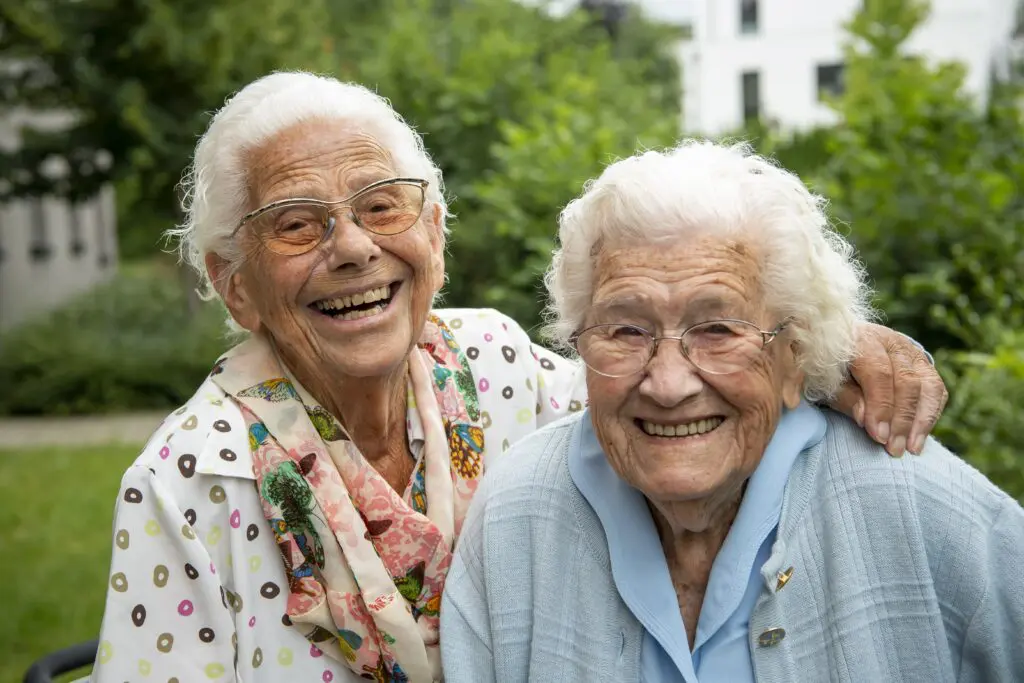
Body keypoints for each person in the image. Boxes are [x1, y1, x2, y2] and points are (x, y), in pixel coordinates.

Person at [91, 73, 947, 683]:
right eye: (296, 223)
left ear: (433, 232)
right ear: (237, 284)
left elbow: (664, 386)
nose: (351, 247)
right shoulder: (189, 483)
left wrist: (819, 343)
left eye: (382, 204)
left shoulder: (495, 365)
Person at [440, 140, 1024, 683]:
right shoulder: (518, 517)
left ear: (795, 356)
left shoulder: (922, 510)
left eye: (718, 328)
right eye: (626, 328)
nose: (667, 384)